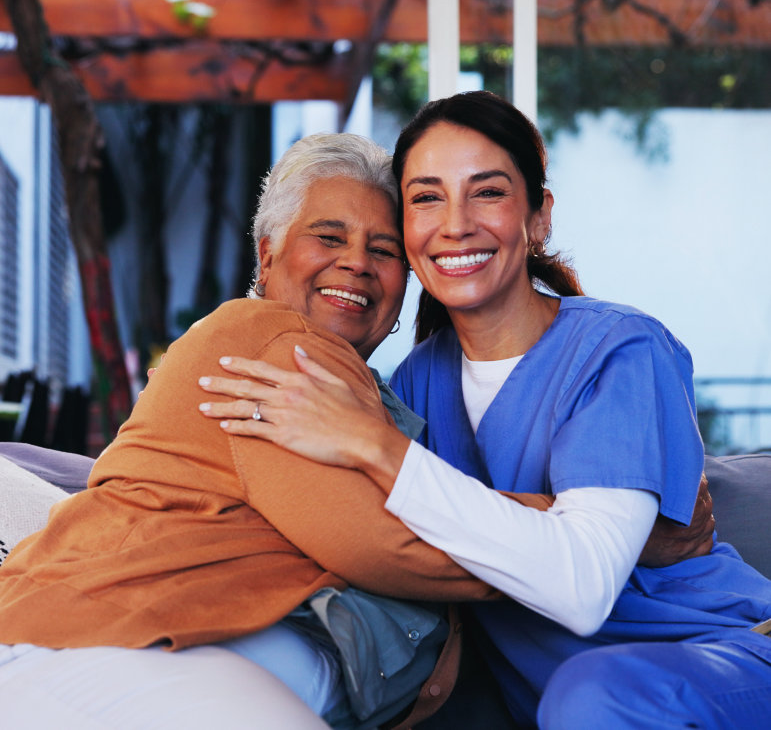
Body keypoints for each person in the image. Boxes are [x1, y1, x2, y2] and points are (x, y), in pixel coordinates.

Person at [199, 92, 771, 728]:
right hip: (555, 701)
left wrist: (376, 446)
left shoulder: (619, 350)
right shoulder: (414, 386)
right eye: (426, 197)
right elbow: (376, 534)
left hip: (722, 658)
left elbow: (581, 589)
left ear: (539, 218)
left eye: (488, 192)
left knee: (592, 693)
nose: (455, 224)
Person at [0, 133, 517, 730]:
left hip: (129, 654)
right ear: (267, 256)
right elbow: (378, 543)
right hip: (109, 655)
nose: (356, 261)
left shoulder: (356, 385)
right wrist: (557, 536)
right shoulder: (280, 345)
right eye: (329, 236)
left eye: (384, 249)